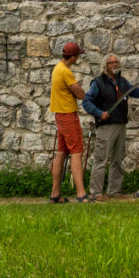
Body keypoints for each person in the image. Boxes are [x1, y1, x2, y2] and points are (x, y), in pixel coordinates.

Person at [83, 53, 139, 199]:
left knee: (118, 159)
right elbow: (86, 102)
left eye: (116, 62)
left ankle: (114, 191)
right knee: (101, 159)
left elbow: (137, 92)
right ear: (105, 66)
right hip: (106, 126)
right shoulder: (97, 83)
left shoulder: (122, 82)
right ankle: (96, 193)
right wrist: (100, 113)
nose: (115, 64)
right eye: (112, 62)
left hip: (121, 124)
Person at [49, 40, 89, 204]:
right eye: (78, 55)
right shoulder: (66, 72)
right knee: (77, 152)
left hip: (60, 115)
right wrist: (80, 90)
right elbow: (80, 94)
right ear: (73, 57)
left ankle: (55, 194)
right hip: (68, 115)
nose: (78, 58)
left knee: (62, 153)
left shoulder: (57, 68)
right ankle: (81, 194)